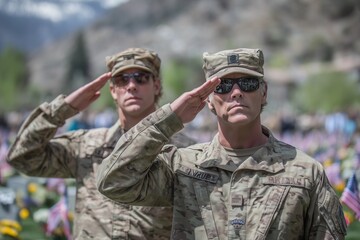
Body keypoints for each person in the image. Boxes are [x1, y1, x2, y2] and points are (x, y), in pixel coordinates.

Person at [96, 48, 347, 239]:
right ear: (208, 100)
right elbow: (112, 182)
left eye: (248, 83)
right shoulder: (183, 166)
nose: (236, 92)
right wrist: (169, 119)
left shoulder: (305, 172)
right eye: (224, 85)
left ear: (264, 93)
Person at [7, 47, 195, 239]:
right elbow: (22, 157)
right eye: (122, 79)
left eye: (140, 77)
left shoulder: (183, 152)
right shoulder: (87, 144)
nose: (131, 86)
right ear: (112, 90)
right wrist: (63, 109)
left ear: (156, 85)